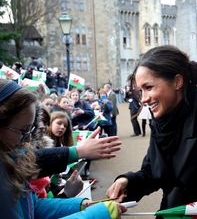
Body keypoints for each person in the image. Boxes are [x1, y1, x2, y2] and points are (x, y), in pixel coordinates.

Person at [106, 45, 197, 217]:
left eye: (149, 87)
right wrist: (127, 182)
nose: (144, 99)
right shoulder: (161, 121)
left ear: (177, 81)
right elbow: (152, 172)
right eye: (141, 91)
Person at [0, 79, 126, 218]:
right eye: (23, 130)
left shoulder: (12, 160)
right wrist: (97, 215)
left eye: (30, 130)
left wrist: (79, 206)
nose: (28, 139)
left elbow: (33, 207)